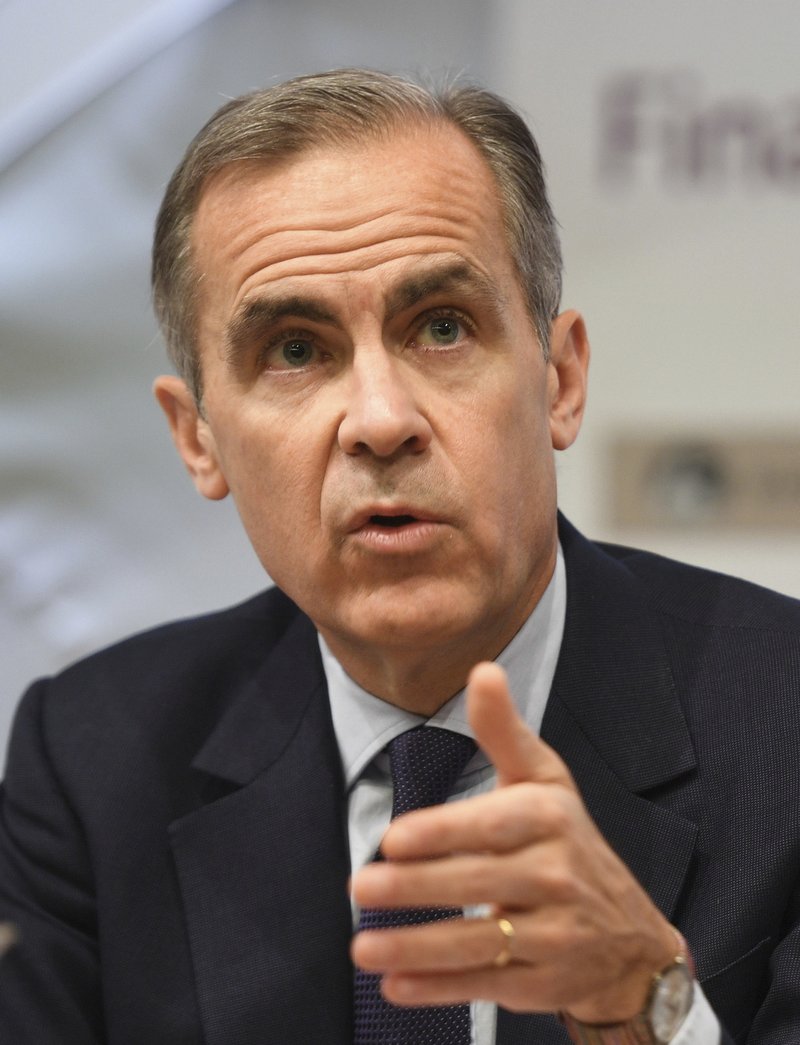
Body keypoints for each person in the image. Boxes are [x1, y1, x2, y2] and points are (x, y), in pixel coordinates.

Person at [1, 68, 798, 1045]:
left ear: (558, 377)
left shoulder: (784, 721)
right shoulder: (95, 762)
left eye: (442, 327)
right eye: (294, 351)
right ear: (197, 436)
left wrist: (646, 1000)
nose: (379, 421)